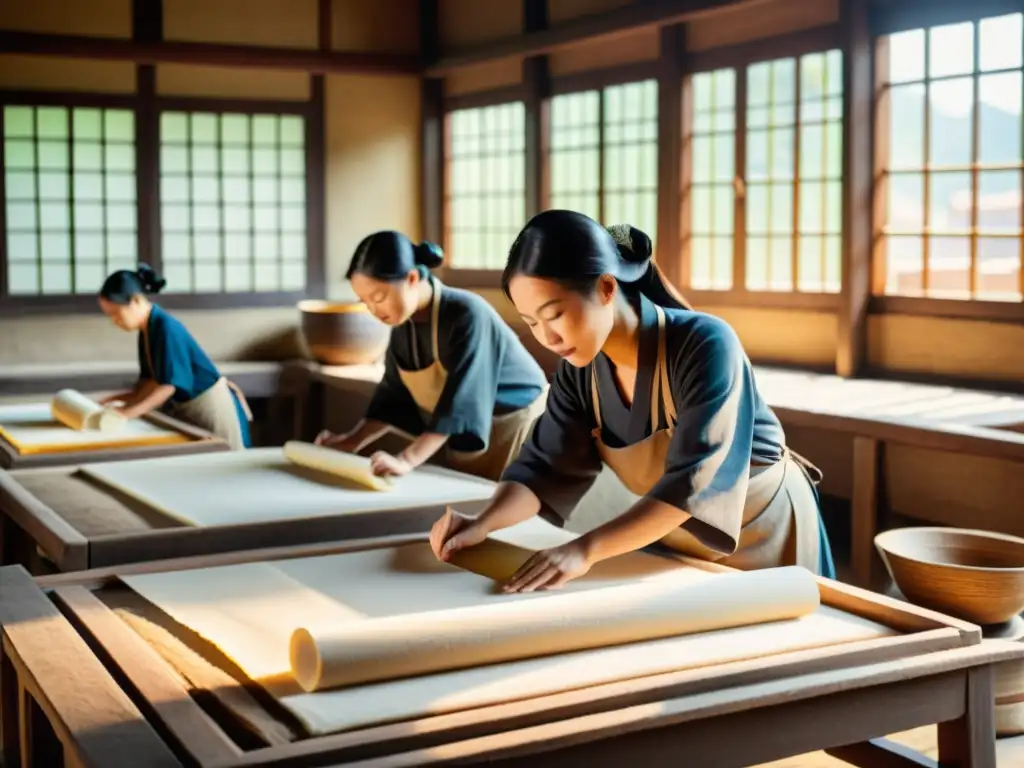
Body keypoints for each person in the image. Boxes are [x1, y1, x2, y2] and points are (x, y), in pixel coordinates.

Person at [428, 211, 836, 591]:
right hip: (672, 527)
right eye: (532, 323)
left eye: (554, 314)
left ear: (606, 287)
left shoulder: (707, 343)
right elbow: (541, 469)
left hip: (764, 524)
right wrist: (483, 524)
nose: (547, 337)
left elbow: (692, 485)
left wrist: (584, 549)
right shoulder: (579, 370)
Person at [314, 230, 549, 482]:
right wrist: (350, 442)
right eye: (365, 301)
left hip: (520, 424)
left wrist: (406, 459)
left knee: (505, 508)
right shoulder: (404, 324)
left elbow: (461, 400)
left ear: (412, 278)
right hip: (473, 424)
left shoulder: (467, 314)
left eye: (378, 297)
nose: (373, 310)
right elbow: (393, 396)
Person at [97, 264, 252, 449]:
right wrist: (114, 400)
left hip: (211, 408)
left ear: (136, 301)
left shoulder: (165, 327)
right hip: (191, 410)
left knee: (226, 464)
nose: (115, 321)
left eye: (116, 314)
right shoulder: (147, 331)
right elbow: (150, 382)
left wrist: (128, 413)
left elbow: (167, 386)